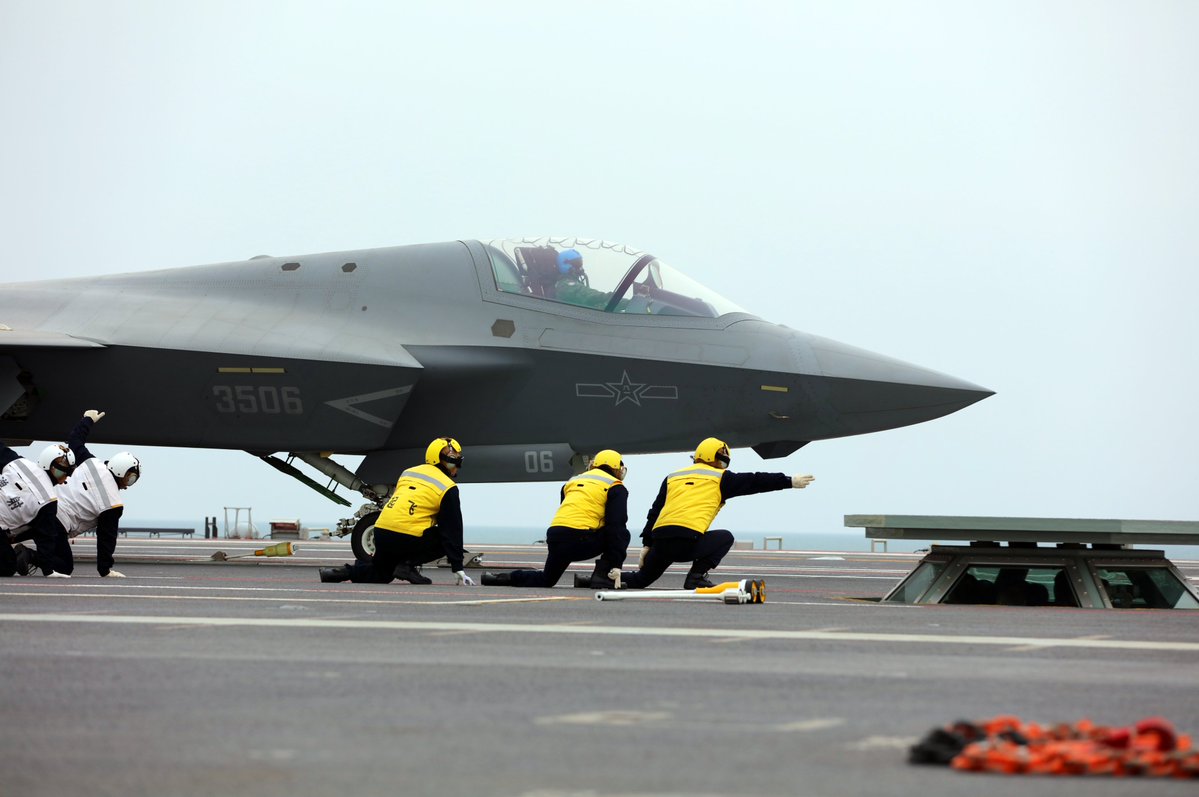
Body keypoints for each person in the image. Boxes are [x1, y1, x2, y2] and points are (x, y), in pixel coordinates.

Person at [620, 437, 814, 590]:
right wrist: (789, 481)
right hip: (687, 541)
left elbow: (655, 511)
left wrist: (647, 544)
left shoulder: (673, 477)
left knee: (640, 580)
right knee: (725, 538)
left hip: (661, 541)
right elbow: (756, 481)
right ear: (712, 458)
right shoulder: (721, 478)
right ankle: (696, 577)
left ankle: (608, 575)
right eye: (722, 460)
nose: (723, 465)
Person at [319, 437, 477, 586]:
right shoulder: (447, 487)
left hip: (381, 531)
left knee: (382, 573)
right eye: (453, 463)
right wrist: (458, 568)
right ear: (440, 461)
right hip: (407, 536)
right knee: (444, 536)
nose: (457, 468)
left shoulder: (408, 473)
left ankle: (338, 573)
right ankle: (407, 565)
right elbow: (452, 529)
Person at [481, 449, 630, 589]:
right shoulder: (615, 486)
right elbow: (616, 524)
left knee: (546, 579)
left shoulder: (572, 482)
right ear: (617, 468)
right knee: (622, 534)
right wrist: (616, 565)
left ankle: (497, 578)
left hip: (556, 537)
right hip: (580, 540)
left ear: (594, 465)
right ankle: (603, 576)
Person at [54, 410, 140, 578]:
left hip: (42, 504)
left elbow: (75, 440)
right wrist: (105, 570)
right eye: (130, 480)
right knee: (63, 566)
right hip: (58, 523)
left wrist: (87, 420)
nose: (127, 486)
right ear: (122, 472)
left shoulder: (92, 462)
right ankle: (28, 556)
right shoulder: (113, 503)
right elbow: (106, 538)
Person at [0, 442, 75, 577]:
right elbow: (46, 538)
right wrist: (48, 571)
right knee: (8, 566)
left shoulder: (19, 462)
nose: (65, 477)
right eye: (64, 472)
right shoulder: (48, 500)